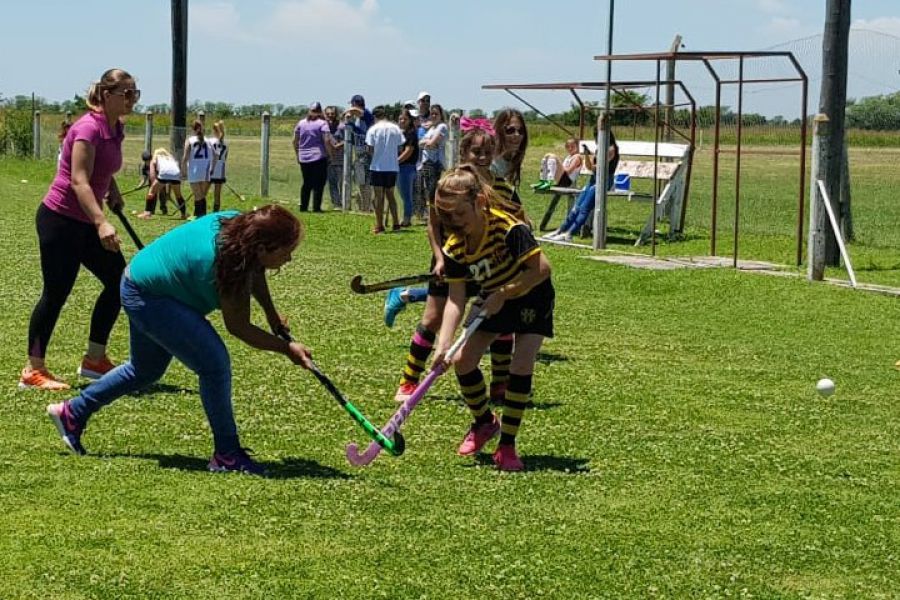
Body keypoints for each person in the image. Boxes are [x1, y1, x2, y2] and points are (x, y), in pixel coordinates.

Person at [46, 205, 313, 477]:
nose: (289, 258)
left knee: (145, 370)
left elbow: (255, 269)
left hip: (140, 281)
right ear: (263, 247)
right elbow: (239, 327)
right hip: (148, 296)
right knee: (214, 365)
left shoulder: (239, 227)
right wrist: (286, 348)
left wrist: (271, 314)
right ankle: (227, 454)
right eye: (286, 251)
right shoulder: (229, 263)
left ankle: (72, 413)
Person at [20, 68, 138, 391]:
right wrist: (101, 221)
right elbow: (78, 179)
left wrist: (111, 188)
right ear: (106, 95)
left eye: (135, 94)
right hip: (61, 220)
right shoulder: (88, 128)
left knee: (119, 281)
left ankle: (94, 360)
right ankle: (33, 370)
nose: (131, 100)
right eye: (126, 93)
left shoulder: (115, 130)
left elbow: (101, 168)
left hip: (86, 219)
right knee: (56, 293)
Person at [431, 166, 554, 471]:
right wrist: (442, 344)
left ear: (479, 202)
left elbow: (542, 270)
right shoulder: (455, 247)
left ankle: (507, 446)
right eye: (447, 219)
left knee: (520, 364)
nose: (454, 224)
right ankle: (484, 422)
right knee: (463, 360)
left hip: (531, 294)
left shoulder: (509, 228)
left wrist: (505, 292)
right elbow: (456, 298)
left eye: (460, 215)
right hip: (494, 298)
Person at [389, 125, 516, 406]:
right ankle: (409, 379)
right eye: (476, 151)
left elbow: (518, 222)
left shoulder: (501, 186)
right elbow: (433, 226)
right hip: (453, 259)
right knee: (433, 318)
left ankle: (500, 383)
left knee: (498, 320)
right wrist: (439, 258)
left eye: (487, 151)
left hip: (490, 262)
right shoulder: (448, 185)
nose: (482, 157)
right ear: (463, 152)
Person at [544, 129, 619, 242]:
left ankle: (569, 234)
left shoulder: (611, 150)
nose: (597, 140)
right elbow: (590, 167)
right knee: (576, 207)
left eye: (598, 137)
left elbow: (598, 167)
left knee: (584, 208)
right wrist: (587, 155)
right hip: (593, 179)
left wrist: (593, 163)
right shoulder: (600, 149)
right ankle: (560, 231)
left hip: (603, 182)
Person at [366, 106, 404, 233]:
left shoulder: (373, 129)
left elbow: (369, 149)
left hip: (377, 166)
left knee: (378, 197)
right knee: (391, 196)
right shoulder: (395, 128)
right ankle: (396, 223)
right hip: (392, 167)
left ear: (375, 117)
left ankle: (379, 225)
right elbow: (400, 147)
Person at [292, 102, 330, 212]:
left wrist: (297, 154)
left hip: (304, 157)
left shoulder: (301, 123)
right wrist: (329, 154)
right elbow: (327, 140)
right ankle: (316, 208)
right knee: (319, 183)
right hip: (318, 156)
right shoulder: (323, 124)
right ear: (320, 111)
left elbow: (295, 141)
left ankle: (303, 207)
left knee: (306, 183)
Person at [344, 94, 374, 212]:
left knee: (365, 183)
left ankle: (366, 208)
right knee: (361, 183)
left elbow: (358, 111)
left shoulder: (367, 114)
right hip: (359, 155)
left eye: (352, 104)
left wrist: (347, 112)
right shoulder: (357, 120)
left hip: (366, 155)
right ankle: (365, 206)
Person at [138, 148, 186, 219]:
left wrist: (153, 185)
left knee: (151, 192)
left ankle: (147, 213)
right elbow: (172, 172)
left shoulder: (155, 158)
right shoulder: (170, 158)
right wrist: (168, 192)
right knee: (178, 195)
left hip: (164, 174)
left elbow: (152, 174)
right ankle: (183, 214)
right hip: (176, 174)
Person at [182, 120, 215, 218]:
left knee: (198, 195)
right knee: (202, 195)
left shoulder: (190, 140)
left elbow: (185, 157)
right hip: (206, 171)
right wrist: (212, 167)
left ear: (192, 129)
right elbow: (216, 155)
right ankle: (199, 215)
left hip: (194, 171)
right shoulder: (208, 140)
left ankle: (200, 215)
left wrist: (183, 169)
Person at [397, 108, 419, 227]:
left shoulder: (411, 134)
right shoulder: (399, 133)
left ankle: (407, 219)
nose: (402, 121)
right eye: (400, 119)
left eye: (404, 119)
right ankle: (406, 215)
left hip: (407, 167)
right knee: (402, 193)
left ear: (410, 120)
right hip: (399, 167)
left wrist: (396, 161)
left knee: (406, 194)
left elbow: (408, 151)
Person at [324, 106, 345, 210]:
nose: (330, 116)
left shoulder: (342, 127)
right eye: (328, 114)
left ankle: (344, 202)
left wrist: (337, 146)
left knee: (342, 182)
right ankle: (336, 204)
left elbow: (348, 140)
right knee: (332, 183)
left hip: (341, 160)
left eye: (332, 113)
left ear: (336, 114)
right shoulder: (324, 128)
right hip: (329, 160)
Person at [209, 120, 229, 212]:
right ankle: (215, 212)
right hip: (221, 170)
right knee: (217, 194)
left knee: (202, 192)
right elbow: (225, 157)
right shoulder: (226, 143)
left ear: (214, 131)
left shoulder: (210, 141)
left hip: (210, 169)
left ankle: (200, 212)